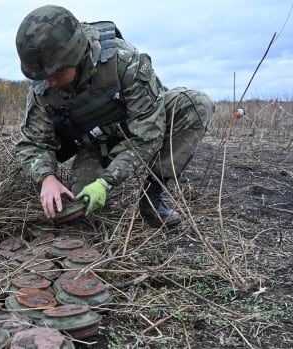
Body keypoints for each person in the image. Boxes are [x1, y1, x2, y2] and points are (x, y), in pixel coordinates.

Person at [13, 5, 215, 227]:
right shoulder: (44, 88)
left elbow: (148, 133)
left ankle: (153, 195)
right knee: (81, 210)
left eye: (56, 73)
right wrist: (46, 178)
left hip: (138, 128)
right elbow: (31, 143)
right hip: (96, 145)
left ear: (77, 56)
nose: (49, 81)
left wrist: (107, 181)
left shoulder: (123, 61)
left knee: (196, 105)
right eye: (42, 76)